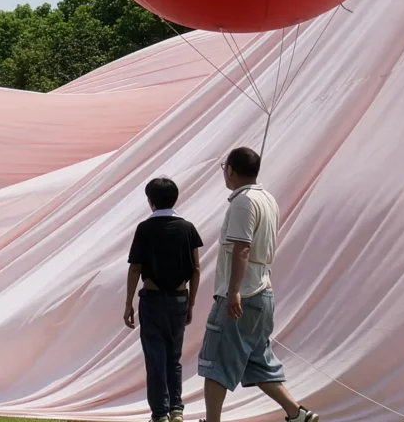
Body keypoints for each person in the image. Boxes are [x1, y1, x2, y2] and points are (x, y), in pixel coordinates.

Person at [197, 147, 318, 422]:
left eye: (224, 168)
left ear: (231, 170)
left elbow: (242, 248)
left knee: (215, 361)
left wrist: (234, 292)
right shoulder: (268, 199)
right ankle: (297, 414)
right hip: (263, 291)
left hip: (244, 291)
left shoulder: (243, 202)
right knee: (257, 361)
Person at [125, 177, 204, 422]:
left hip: (152, 298)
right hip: (180, 298)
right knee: (174, 357)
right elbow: (196, 269)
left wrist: (128, 303)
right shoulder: (187, 228)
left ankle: (159, 413)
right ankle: (177, 409)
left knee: (155, 358)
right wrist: (191, 304)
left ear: (150, 202)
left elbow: (135, 268)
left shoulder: (144, 228)